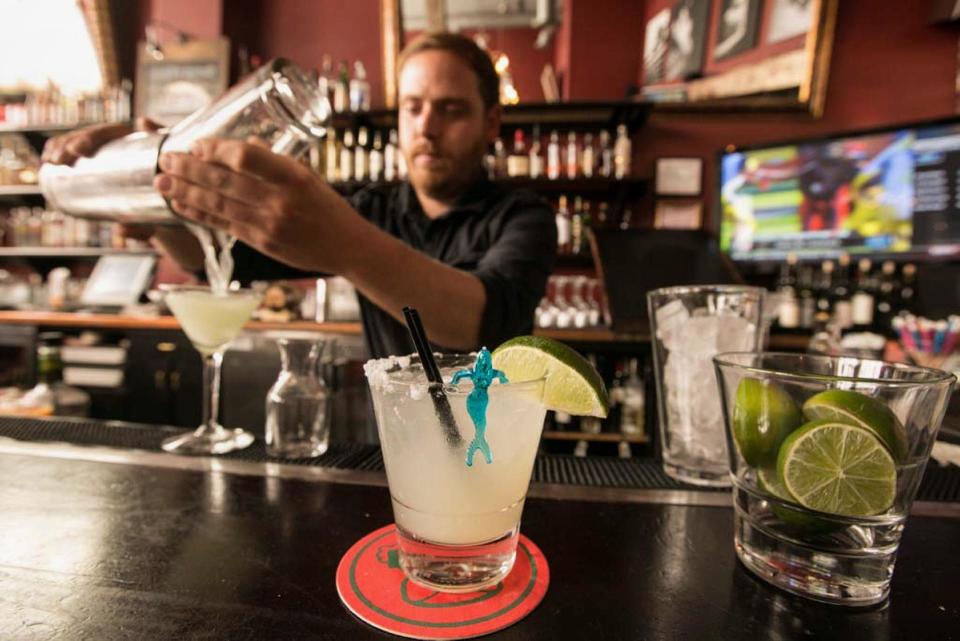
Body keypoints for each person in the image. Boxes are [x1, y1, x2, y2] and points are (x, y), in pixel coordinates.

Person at [43, 32, 557, 359]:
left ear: (491, 122)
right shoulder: (371, 207)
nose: (427, 128)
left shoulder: (523, 215)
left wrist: (345, 244)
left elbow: (480, 322)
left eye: (451, 110)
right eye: (414, 107)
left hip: (494, 453)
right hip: (396, 454)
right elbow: (224, 259)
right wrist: (157, 196)